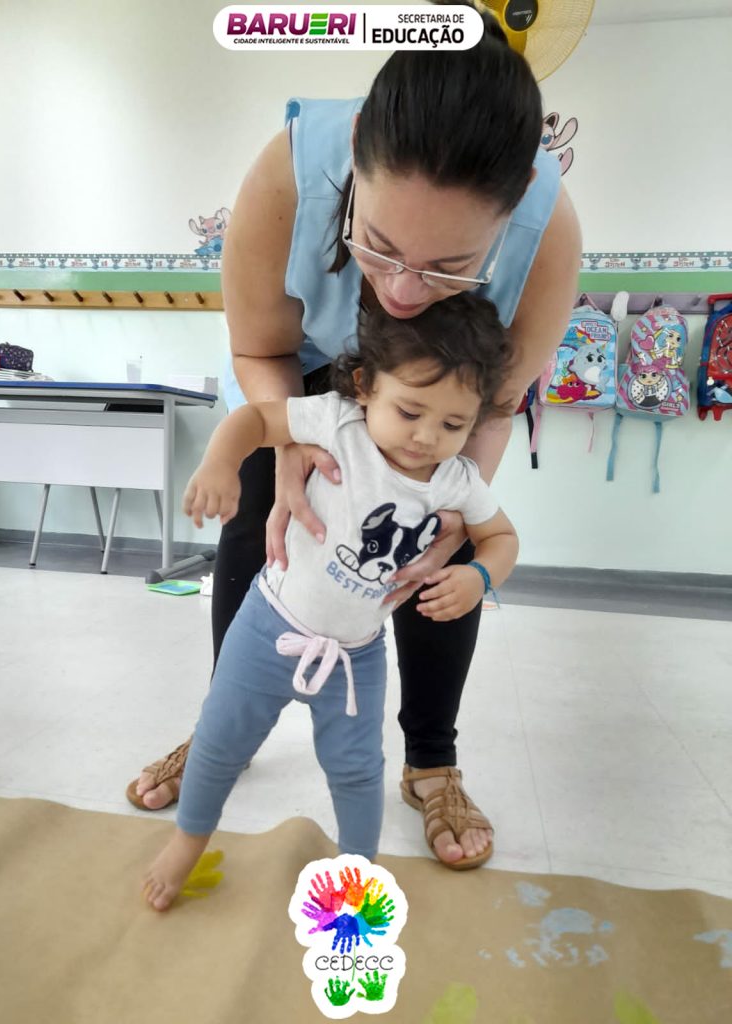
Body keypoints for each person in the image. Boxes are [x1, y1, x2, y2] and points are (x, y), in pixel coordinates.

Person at [128, 3, 581, 869]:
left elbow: (492, 406)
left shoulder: (548, 230)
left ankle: (432, 763)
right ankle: (225, 723)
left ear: (517, 197)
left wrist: (451, 508)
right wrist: (286, 448)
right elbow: (260, 348)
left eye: (450, 267)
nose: (404, 292)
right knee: (261, 521)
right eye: (378, 245)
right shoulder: (290, 174)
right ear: (359, 145)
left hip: (446, 399)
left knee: (437, 553)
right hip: (300, 371)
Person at [142, 294, 519, 910]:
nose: (426, 437)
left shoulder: (456, 481)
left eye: (454, 425)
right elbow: (253, 420)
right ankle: (187, 842)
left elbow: (502, 538)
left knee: (358, 771)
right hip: (267, 629)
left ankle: (357, 875)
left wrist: (479, 575)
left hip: (355, 658)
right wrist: (220, 463)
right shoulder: (337, 422)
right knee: (217, 744)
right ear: (366, 386)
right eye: (410, 411)